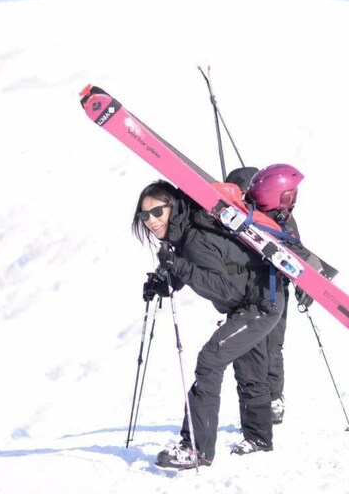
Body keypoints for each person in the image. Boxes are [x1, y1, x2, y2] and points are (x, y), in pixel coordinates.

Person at [132, 180, 285, 469]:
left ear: (172, 207)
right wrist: (164, 283)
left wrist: (177, 266)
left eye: (157, 212)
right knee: (250, 369)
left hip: (258, 306)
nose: (151, 221)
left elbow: (223, 288)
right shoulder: (186, 233)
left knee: (210, 360)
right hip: (258, 300)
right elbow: (200, 269)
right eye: (145, 215)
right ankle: (259, 439)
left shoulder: (193, 238)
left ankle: (196, 448)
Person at [226, 164, 315, 426]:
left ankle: (274, 397)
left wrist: (306, 284)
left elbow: (297, 251)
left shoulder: (283, 217)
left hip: (275, 288)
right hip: (245, 289)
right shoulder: (235, 214)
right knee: (249, 350)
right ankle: (255, 406)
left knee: (273, 346)